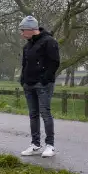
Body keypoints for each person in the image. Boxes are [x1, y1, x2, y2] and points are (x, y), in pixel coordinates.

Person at [18, 15, 60, 157]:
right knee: (33, 115)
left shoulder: (49, 42)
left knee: (45, 113)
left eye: (23, 30)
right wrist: (23, 80)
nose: (21, 33)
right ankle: (35, 144)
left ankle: (50, 145)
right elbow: (24, 65)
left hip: (43, 85)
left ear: (31, 29)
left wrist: (44, 80)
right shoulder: (27, 46)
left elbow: (54, 62)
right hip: (29, 85)